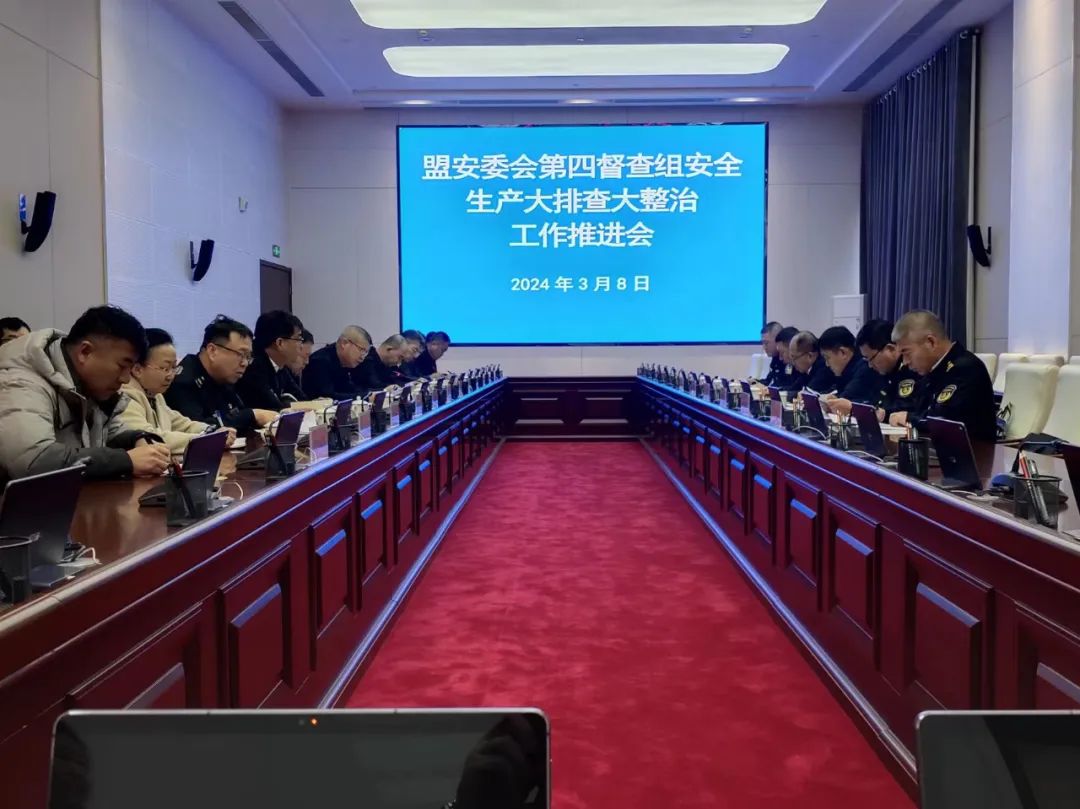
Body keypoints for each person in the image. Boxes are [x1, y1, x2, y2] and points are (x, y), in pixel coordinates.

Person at [0, 305, 172, 482]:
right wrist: (126, 460)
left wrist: (138, 439)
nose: (126, 379)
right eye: (122, 366)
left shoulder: (88, 383)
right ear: (85, 352)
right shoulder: (19, 382)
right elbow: (34, 461)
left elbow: (112, 432)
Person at [120, 328, 235, 453]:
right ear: (137, 369)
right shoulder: (124, 398)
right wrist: (206, 440)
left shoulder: (155, 395)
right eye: (165, 368)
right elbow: (149, 438)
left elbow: (183, 424)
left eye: (174, 367)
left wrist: (213, 431)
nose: (171, 376)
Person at [888, 310, 997, 442]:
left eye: (906, 352)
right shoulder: (932, 370)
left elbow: (945, 421)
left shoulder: (966, 368)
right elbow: (916, 409)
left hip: (975, 452)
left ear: (931, 342)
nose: (905, 362)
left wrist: (909, 418)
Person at [165, 315, 278, 435]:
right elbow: (199, 431)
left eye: (248, 357)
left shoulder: (224, 378)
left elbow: (236, 417)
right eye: (240, 354)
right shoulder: (184, 382)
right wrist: (251, 415)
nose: (245, 363)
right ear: (212, 351)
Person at [236, 310, 305, 411]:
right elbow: (275, 409)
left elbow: (301, 398)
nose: (301, 346)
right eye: (299, 339)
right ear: (280, 343)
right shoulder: (254, 367)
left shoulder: (280, 365)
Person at [853, 319, 921, 420]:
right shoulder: (882, 371)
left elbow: (908, 406)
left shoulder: (912, 368)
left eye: (870, 358)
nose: (870, 365)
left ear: (890, 349)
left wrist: (885, 413)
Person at [816, 325, 883, 415]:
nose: (827, 364)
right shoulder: (845, 369)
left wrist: (833, 401)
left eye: (827, 357)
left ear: (843, 352)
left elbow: (846, 399)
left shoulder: (864, 368)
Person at [304, 326, 372, 400]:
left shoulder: (347, 362)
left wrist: (369, 394)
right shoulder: (320, 361)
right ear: (344, 343)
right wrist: (366, 397)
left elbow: (351, 390)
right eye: (361, 350)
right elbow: (329, 398)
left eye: (366, 352)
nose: (362, 357)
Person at [279, 328, 314, 402]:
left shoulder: (288, 372)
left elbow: (303, 399)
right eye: (306, 355)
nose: (307, 362)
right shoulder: (277, 369)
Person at [773, 326, 801, 390]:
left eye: (782, 353)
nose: (780, 358)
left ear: (792, 348)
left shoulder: (804, 369)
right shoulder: (789, 366)